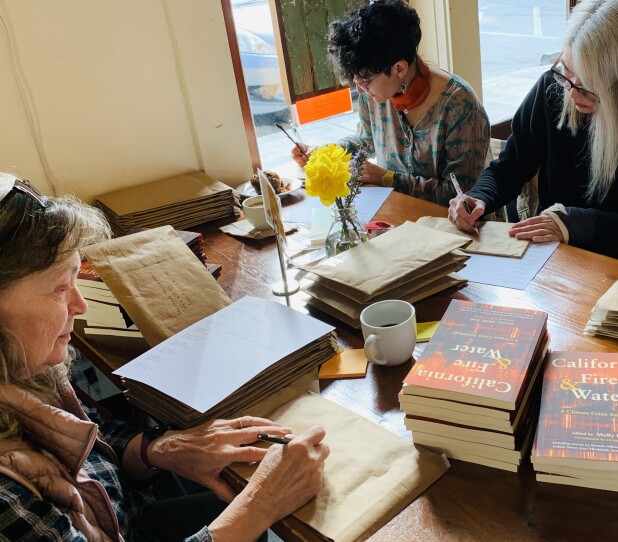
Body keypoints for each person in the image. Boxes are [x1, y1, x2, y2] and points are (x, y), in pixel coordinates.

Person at [0, 173, 329, 541]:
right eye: (60, 288)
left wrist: (158, 449)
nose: (80, 305)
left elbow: (90, 441)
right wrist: (261, 504)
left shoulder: (21, 366)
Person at [448, 0, 618, 274]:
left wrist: (576, 223)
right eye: (566, 71)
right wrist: (479, 197)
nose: (571, 93)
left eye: (589, 86)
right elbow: (511, 166)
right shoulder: (552, 89)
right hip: (552, 256)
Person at [290, 0, 489, 206]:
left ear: (400, 68)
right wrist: (325, 154)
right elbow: (366, 140)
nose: (360, 90)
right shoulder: (376, 94)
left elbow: (462, 196)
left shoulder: (459, 105)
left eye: (364, 81)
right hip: (399, 215)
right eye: (355, 81)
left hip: (456, 228)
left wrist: (386, 178)